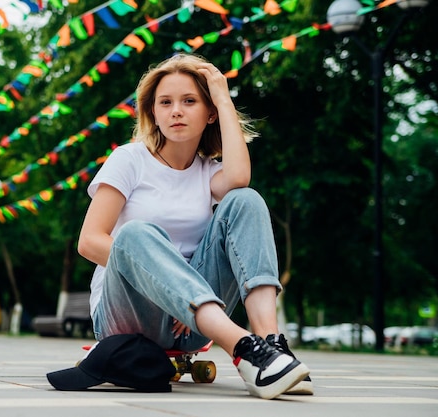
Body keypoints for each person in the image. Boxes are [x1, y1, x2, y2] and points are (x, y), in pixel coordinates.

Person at [77, 53, 311, 399]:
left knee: (245, 199)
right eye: (165, 102)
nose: (176, 111)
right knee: (136, 233)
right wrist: (174, 289)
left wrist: (221, 95)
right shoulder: (129, 160)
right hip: (127, 315)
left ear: (210, 113)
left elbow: (239, 177)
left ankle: (272, 347)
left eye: (190, 101)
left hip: (192, 323)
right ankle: (245, 349)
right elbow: (89, 243)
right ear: (153, 113)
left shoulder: (208, 173)